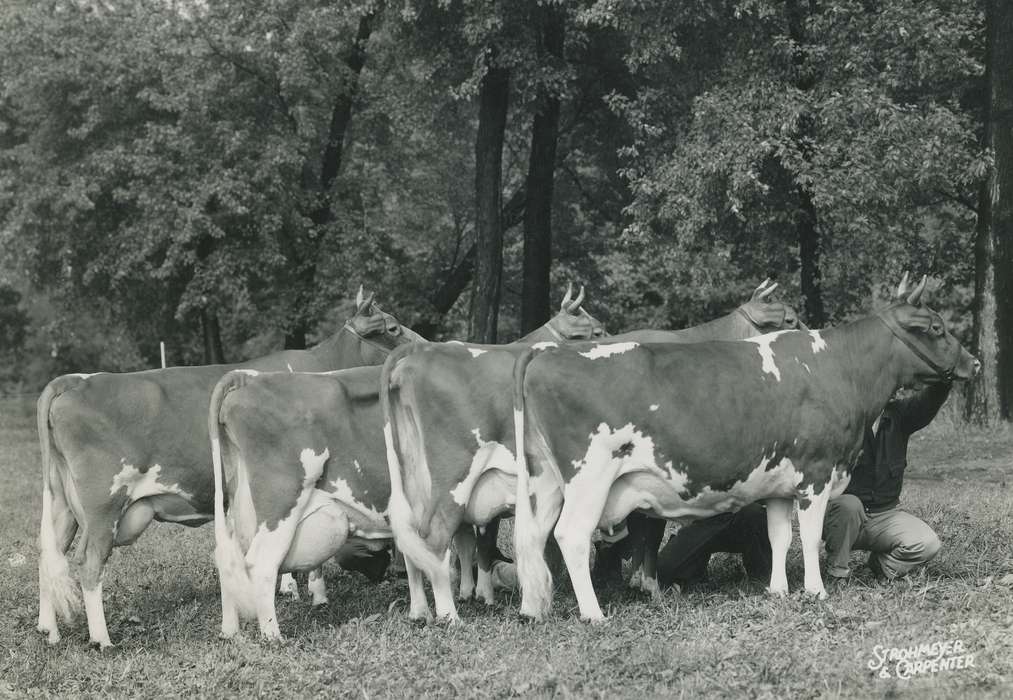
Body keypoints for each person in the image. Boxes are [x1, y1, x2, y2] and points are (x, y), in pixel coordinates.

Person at [822, 382, 950, 581]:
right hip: (842, 517)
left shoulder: (901, 415)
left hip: (885, 515)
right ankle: (836, 572)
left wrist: (946, 377)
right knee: (849, 505)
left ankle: (882, 567)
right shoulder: (842, 419)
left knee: (928, 543)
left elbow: (929, 401)